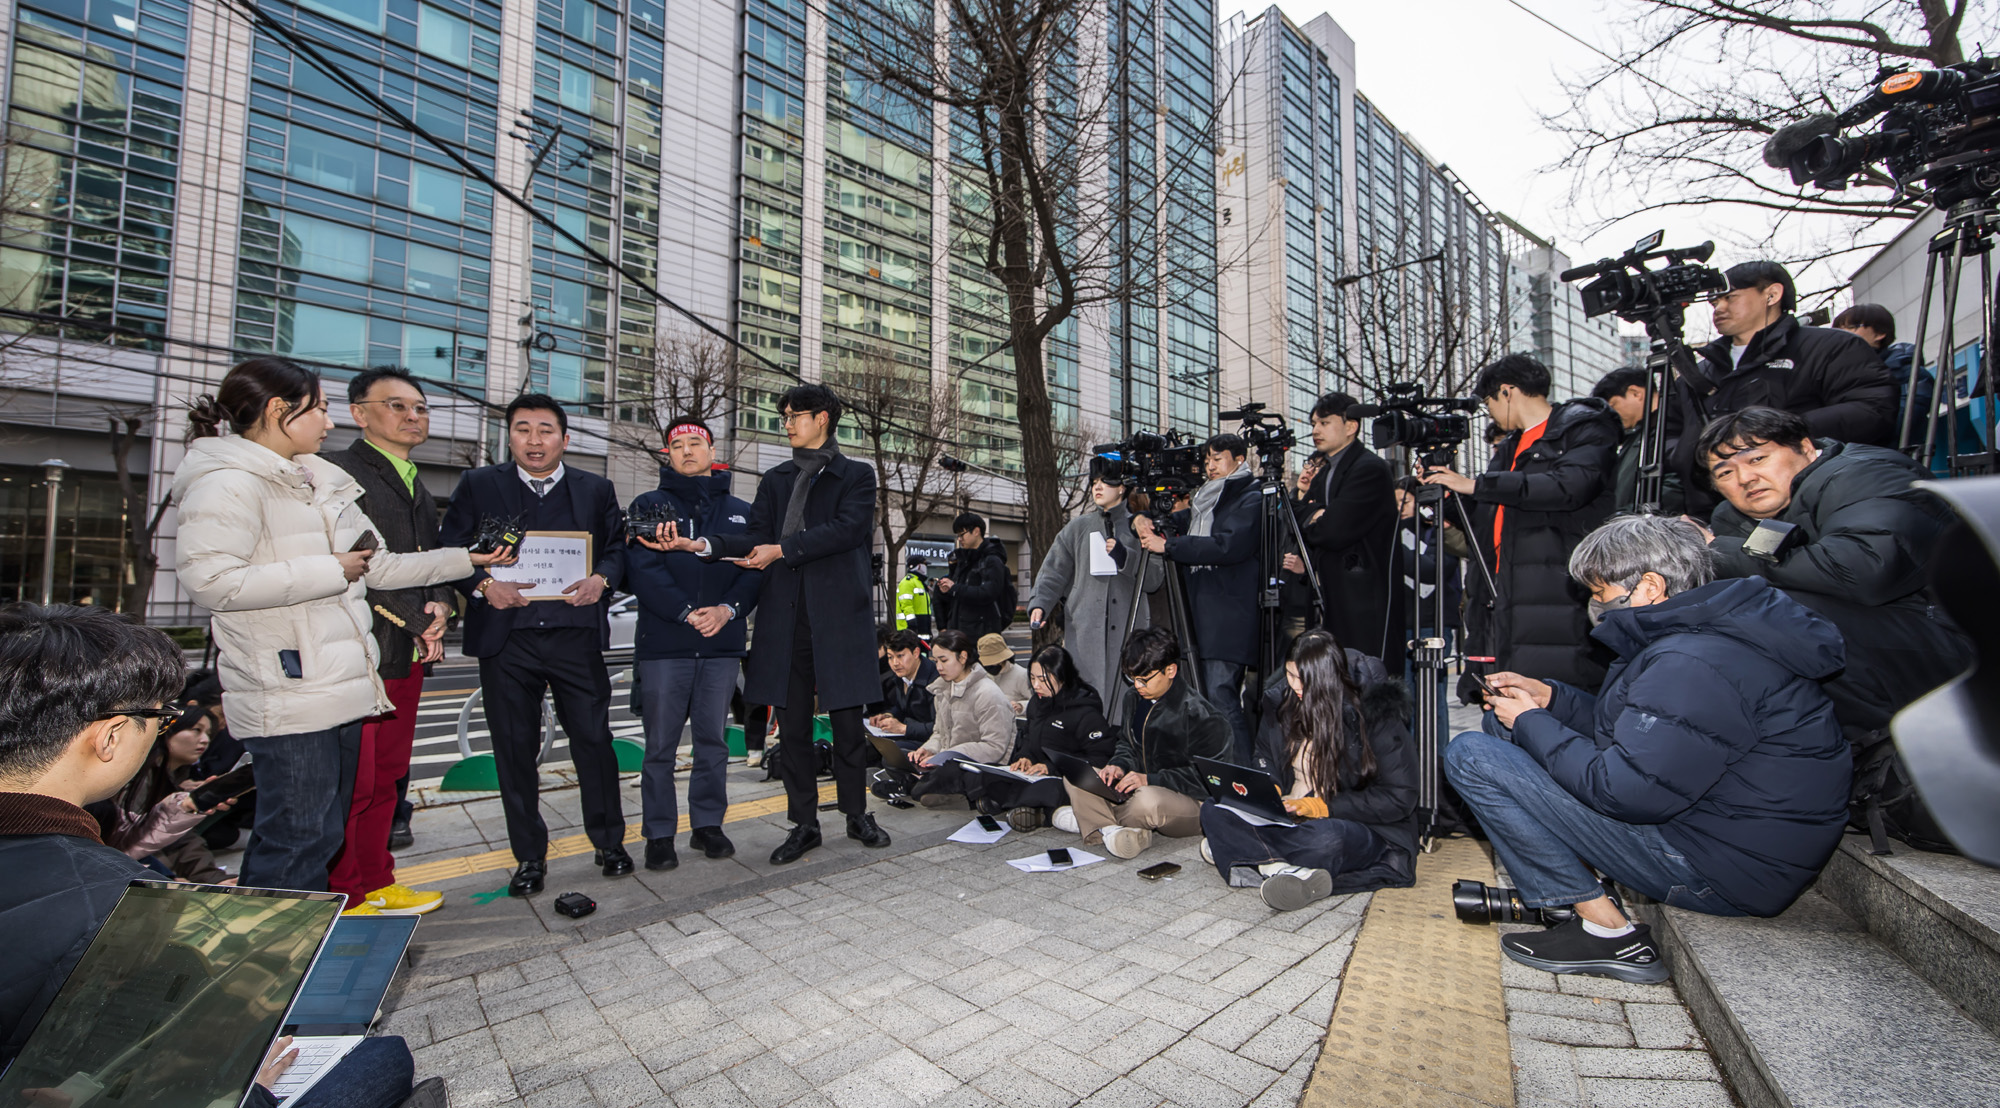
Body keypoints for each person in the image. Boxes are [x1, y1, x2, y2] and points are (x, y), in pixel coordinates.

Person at [0, 604, 427, 1108]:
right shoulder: (115, 898)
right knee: (383, 1060)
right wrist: (252, 1087)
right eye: (159, 719)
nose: (161, 732)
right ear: (111, 736)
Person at [1443, 515, 1852, 983]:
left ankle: (1608, 932)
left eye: (1598, 593)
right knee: (1506, 731)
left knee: (1472, 755)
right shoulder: (1702, 636)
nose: (1594, 606)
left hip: (1717, 870)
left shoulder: (1690, 661)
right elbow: (1643, 733)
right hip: (1725, 840)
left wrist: (1533, 721)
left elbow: (1626, 791)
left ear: (1649, 586)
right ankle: (1574, 899)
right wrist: (1548, 700)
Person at [173, 357, 504, 898]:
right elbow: (213, 581)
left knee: (322, 827)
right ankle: (270, 963)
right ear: (280, 411)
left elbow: (385, 563)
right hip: (287, 689)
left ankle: (323, 930)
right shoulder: (228, 484)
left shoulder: (319, 481)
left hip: (342, 683)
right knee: (294, 833)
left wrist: (469, 559)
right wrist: (331, 569)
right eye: (321, 410)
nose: (329, 424)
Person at [1693, 407, 1974, 845]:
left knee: (1766, 611)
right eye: (1725, 472)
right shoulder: (1736, 520)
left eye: (1757, 459)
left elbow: (1864, 571)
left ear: (1805, 448)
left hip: (1958, 651)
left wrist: (1722, 553)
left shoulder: (1868, 474)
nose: (1744, 479)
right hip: (1883, 649)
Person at [663, 384, 892, 864]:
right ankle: (804, 824)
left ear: (824, 418)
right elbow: (754, 537)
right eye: (784, 414)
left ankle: (857, 813)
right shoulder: (776, 478)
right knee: (792, 734)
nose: (786, 422)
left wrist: (784, 550)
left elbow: (848, 530)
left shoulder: (856, 475)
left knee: (849, 727)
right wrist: (704, 545)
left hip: (839, 621)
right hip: (785, 621)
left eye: (796, 414)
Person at [438, 394, 629, 897]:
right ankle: (528, 856)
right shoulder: (479, 485)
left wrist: (602, 580)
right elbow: (450, 551)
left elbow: (616, 549)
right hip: (507, 640)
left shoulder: (596, 488)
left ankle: (610, 842)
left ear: (564, 439)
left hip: (575, 635)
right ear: (510, 437)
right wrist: (482, 586)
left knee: (593, 741)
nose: (534, 440)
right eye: (523, 429)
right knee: (514, 751)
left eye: (546, 430)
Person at [319, 365, 456, 916]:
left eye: (420, 407)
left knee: (389, 777)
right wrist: (416, 620)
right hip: (361, 649)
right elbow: (365, 566)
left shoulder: (413, 479)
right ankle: (345, 890)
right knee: (354, 780)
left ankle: (378, 881)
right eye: (397, 406)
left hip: (406, 653)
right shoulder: (339, 473)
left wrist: (442, 603)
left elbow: (431, 557)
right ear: (359, 413)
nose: (412, 416)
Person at [1421, 353, 1619, 695]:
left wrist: (1478, 484)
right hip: (1504, 594)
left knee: (1555, 704)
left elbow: (1569, 487)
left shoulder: (1583, 427)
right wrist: (1450, 497)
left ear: (1507, 392)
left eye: (1489, 401)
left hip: (1556, 595)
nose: (1492, 412)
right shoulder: (1510, 446)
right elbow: (1490, 517)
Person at [625, 417, 762, 871]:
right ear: (667, 454)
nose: (686, 451)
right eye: (676, 444)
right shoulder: (649, 505)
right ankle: (659, 834)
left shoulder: (743, 510)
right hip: (666, 643)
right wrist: (686, 611)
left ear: (711, 449)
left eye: (694, 443)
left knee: (713, 741)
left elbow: (754, 569)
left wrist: (727, 610)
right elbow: (643, 571)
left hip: (721, 644)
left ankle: (708, 825)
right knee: (660, 746)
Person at [1200, 630, 1417, 910]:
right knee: (1212, 809)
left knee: (1327, 841)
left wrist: (1322, 807)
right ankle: (1282, 868)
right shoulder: (1282, 701)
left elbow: (1401, 797)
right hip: (1290, 817)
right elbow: (1264, 754)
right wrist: (1270, 789)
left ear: (1330, 678)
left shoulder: (1374, 714)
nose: (1296, 685)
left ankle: (1251, 856)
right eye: (1290, 674)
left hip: (1357, 826)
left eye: (1305, 679)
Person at [1664, 261, 1898, 514]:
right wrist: (1693, 456)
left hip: (1816, 505)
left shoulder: (1832, 346)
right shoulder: (1699, 371)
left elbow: (1873, 409)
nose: (1719, 309)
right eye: (1714, 303)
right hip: (1715, 514)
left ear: (1772, 295)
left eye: (1729, 298)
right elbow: (1666, 434)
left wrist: (1777, 435)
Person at [1134, 434, 1260, 758]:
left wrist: (1170, 546)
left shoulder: (1250, 496)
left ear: (1239, 459)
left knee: (1221, 697)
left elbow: (1227, 545)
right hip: (1199, 615)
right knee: (1203, 701)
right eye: (1207, 460)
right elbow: (1175, 522)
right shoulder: (1204, 499)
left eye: (1217, 458)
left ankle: (1245, 778)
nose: (1210, 465)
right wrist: (1143, 519)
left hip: (1228, 618)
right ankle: (1215, 773)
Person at [1059, 627, 1233, 859]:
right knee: (1077, 774)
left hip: (1191, 803)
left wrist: (1149, 780)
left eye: (1144, 679)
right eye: (1132, 679)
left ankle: (1094, 819)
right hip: (1137, 790)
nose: (1137, 686)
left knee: (1149, 803)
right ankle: (1113, 830)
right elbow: (1127, 744)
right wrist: (1118, 765)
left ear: (1170, 670)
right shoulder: (1134, 698)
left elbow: (1210, 780)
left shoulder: (1202, 716)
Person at [1027, 468, 1163, 705]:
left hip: (1128, 630)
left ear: (1122, 487)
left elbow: (1154, 579)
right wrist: (1040, 603)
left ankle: (1122, 739)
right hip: (1084, 629)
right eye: (1094, 482)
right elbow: (1053, 570)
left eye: (1105, 482)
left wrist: (1125, 557)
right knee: (1084, 699)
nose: (1097, 487)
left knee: (1125, 701)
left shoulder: (1140, 527)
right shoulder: (1077, 528)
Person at [1290, 393, 1399, 666]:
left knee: (1363, 680)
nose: (1315, 430)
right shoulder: (1326, 472)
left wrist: (1318, 518)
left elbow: (1334, 531)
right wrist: (1317, 516)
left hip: (1362, 598)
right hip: (1330, 594)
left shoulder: (1369, 468)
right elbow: (1298, 516)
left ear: (1351, 426)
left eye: (1324, 423)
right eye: (1314, 423)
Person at [967, 646, 1113, 831]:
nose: (1036, 686)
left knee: (1049, 789)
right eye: (1033, 678)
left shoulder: (1086, 712)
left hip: (1063, 778)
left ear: (1063, 677)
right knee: (985, 773)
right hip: (1034, 774)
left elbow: (1099, 758)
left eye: (1043, 680)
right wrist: (1025, 757)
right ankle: (1020, 805)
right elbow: (1029, 737)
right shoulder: (1037, 702)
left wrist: (1051, 768)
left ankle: (1035, 812)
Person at [887, 630, 1015, 807]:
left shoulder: (988, 694)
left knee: (948, 772)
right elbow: (939, 732)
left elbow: (996, 748)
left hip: (975, 765)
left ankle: (918, 786)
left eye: (944, 660)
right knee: (894, 756)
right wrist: (928, 750)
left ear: (962, 657)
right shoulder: (942, 689)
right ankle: (930, 786)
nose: (938, 667)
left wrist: (952, 754)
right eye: (936, 661)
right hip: (947, 759)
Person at [1832, 302, 1931, 453]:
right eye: (1837, 329)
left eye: (1852, 327)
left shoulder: (1908, 373)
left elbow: (1902, 423)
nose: (1841, 334)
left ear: (1879, 333)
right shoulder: (1834, 374)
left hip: (1889, 462)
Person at [1590, 367, 1684, 515]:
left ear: (1635, 393)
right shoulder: (1637, 437)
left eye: (1613, 406)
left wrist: (1627, 516)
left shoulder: (1672, 426)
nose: (1611, 415)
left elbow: (1677, 487)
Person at [937, 512, 1013, 640]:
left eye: (962, 534)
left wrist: (955, 588)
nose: (959, 539)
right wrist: (948, 590)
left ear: (976, 531)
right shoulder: (963, 561)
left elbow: (988, 592)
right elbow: (957, 596)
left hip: (981, 635)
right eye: (957, 536)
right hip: (960, 634)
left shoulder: (992, 560)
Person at [869, 629, 938, 750]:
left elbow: (939, 727)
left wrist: (903, 728)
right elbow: (903, 707)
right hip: (911, 734)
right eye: (890, 657)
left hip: (931, 743)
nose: (895, 663)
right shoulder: (901, 675)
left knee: (891, 751)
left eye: (900, 656)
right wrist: (888, 715)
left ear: (916, 653)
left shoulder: (934, 681)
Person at [976, 633, 1032, 714]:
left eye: (994, 661)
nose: (991, 665)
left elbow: (1037, 701)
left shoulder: (1020, 674)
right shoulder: (981, 674)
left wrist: (1021, 706)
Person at [895, 556, 934, 635]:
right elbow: (906, 604)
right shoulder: (908, 582)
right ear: (919, 566)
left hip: (922, 627)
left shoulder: (919, 583)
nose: (926, 567)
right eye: (925, 565)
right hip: (910, 629)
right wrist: (912, 623)